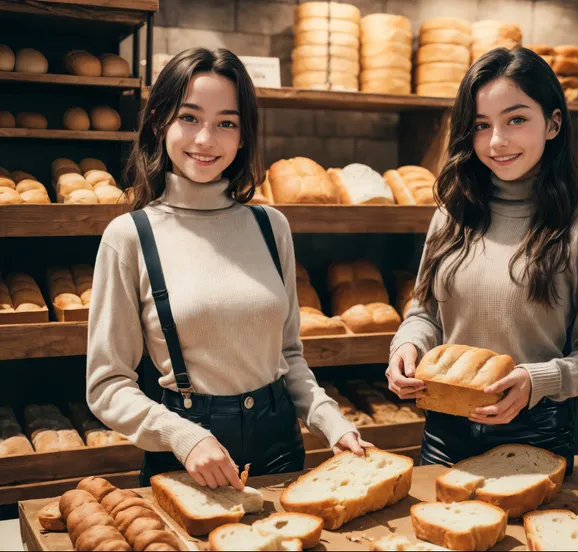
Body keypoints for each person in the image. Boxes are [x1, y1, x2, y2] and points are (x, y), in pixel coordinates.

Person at [86, 48, 369, 490]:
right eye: (190, 118)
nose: (206, 139)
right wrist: (181, 435)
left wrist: (332, 421)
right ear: (160, 121)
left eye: (226, 123)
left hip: (281, 446)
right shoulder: (129, 236)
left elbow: (288, 356)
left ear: (243, 135)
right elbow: (106, 384)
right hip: (185, 456)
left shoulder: (271, 226)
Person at [386, 47, 578, 472]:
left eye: (516, 119)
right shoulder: (451, 217)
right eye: (481, 125)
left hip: (535, 436)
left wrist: (537, 380)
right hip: (444, 433)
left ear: (552, 123)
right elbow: (424, 313)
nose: (496, 141)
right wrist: (407, 345)